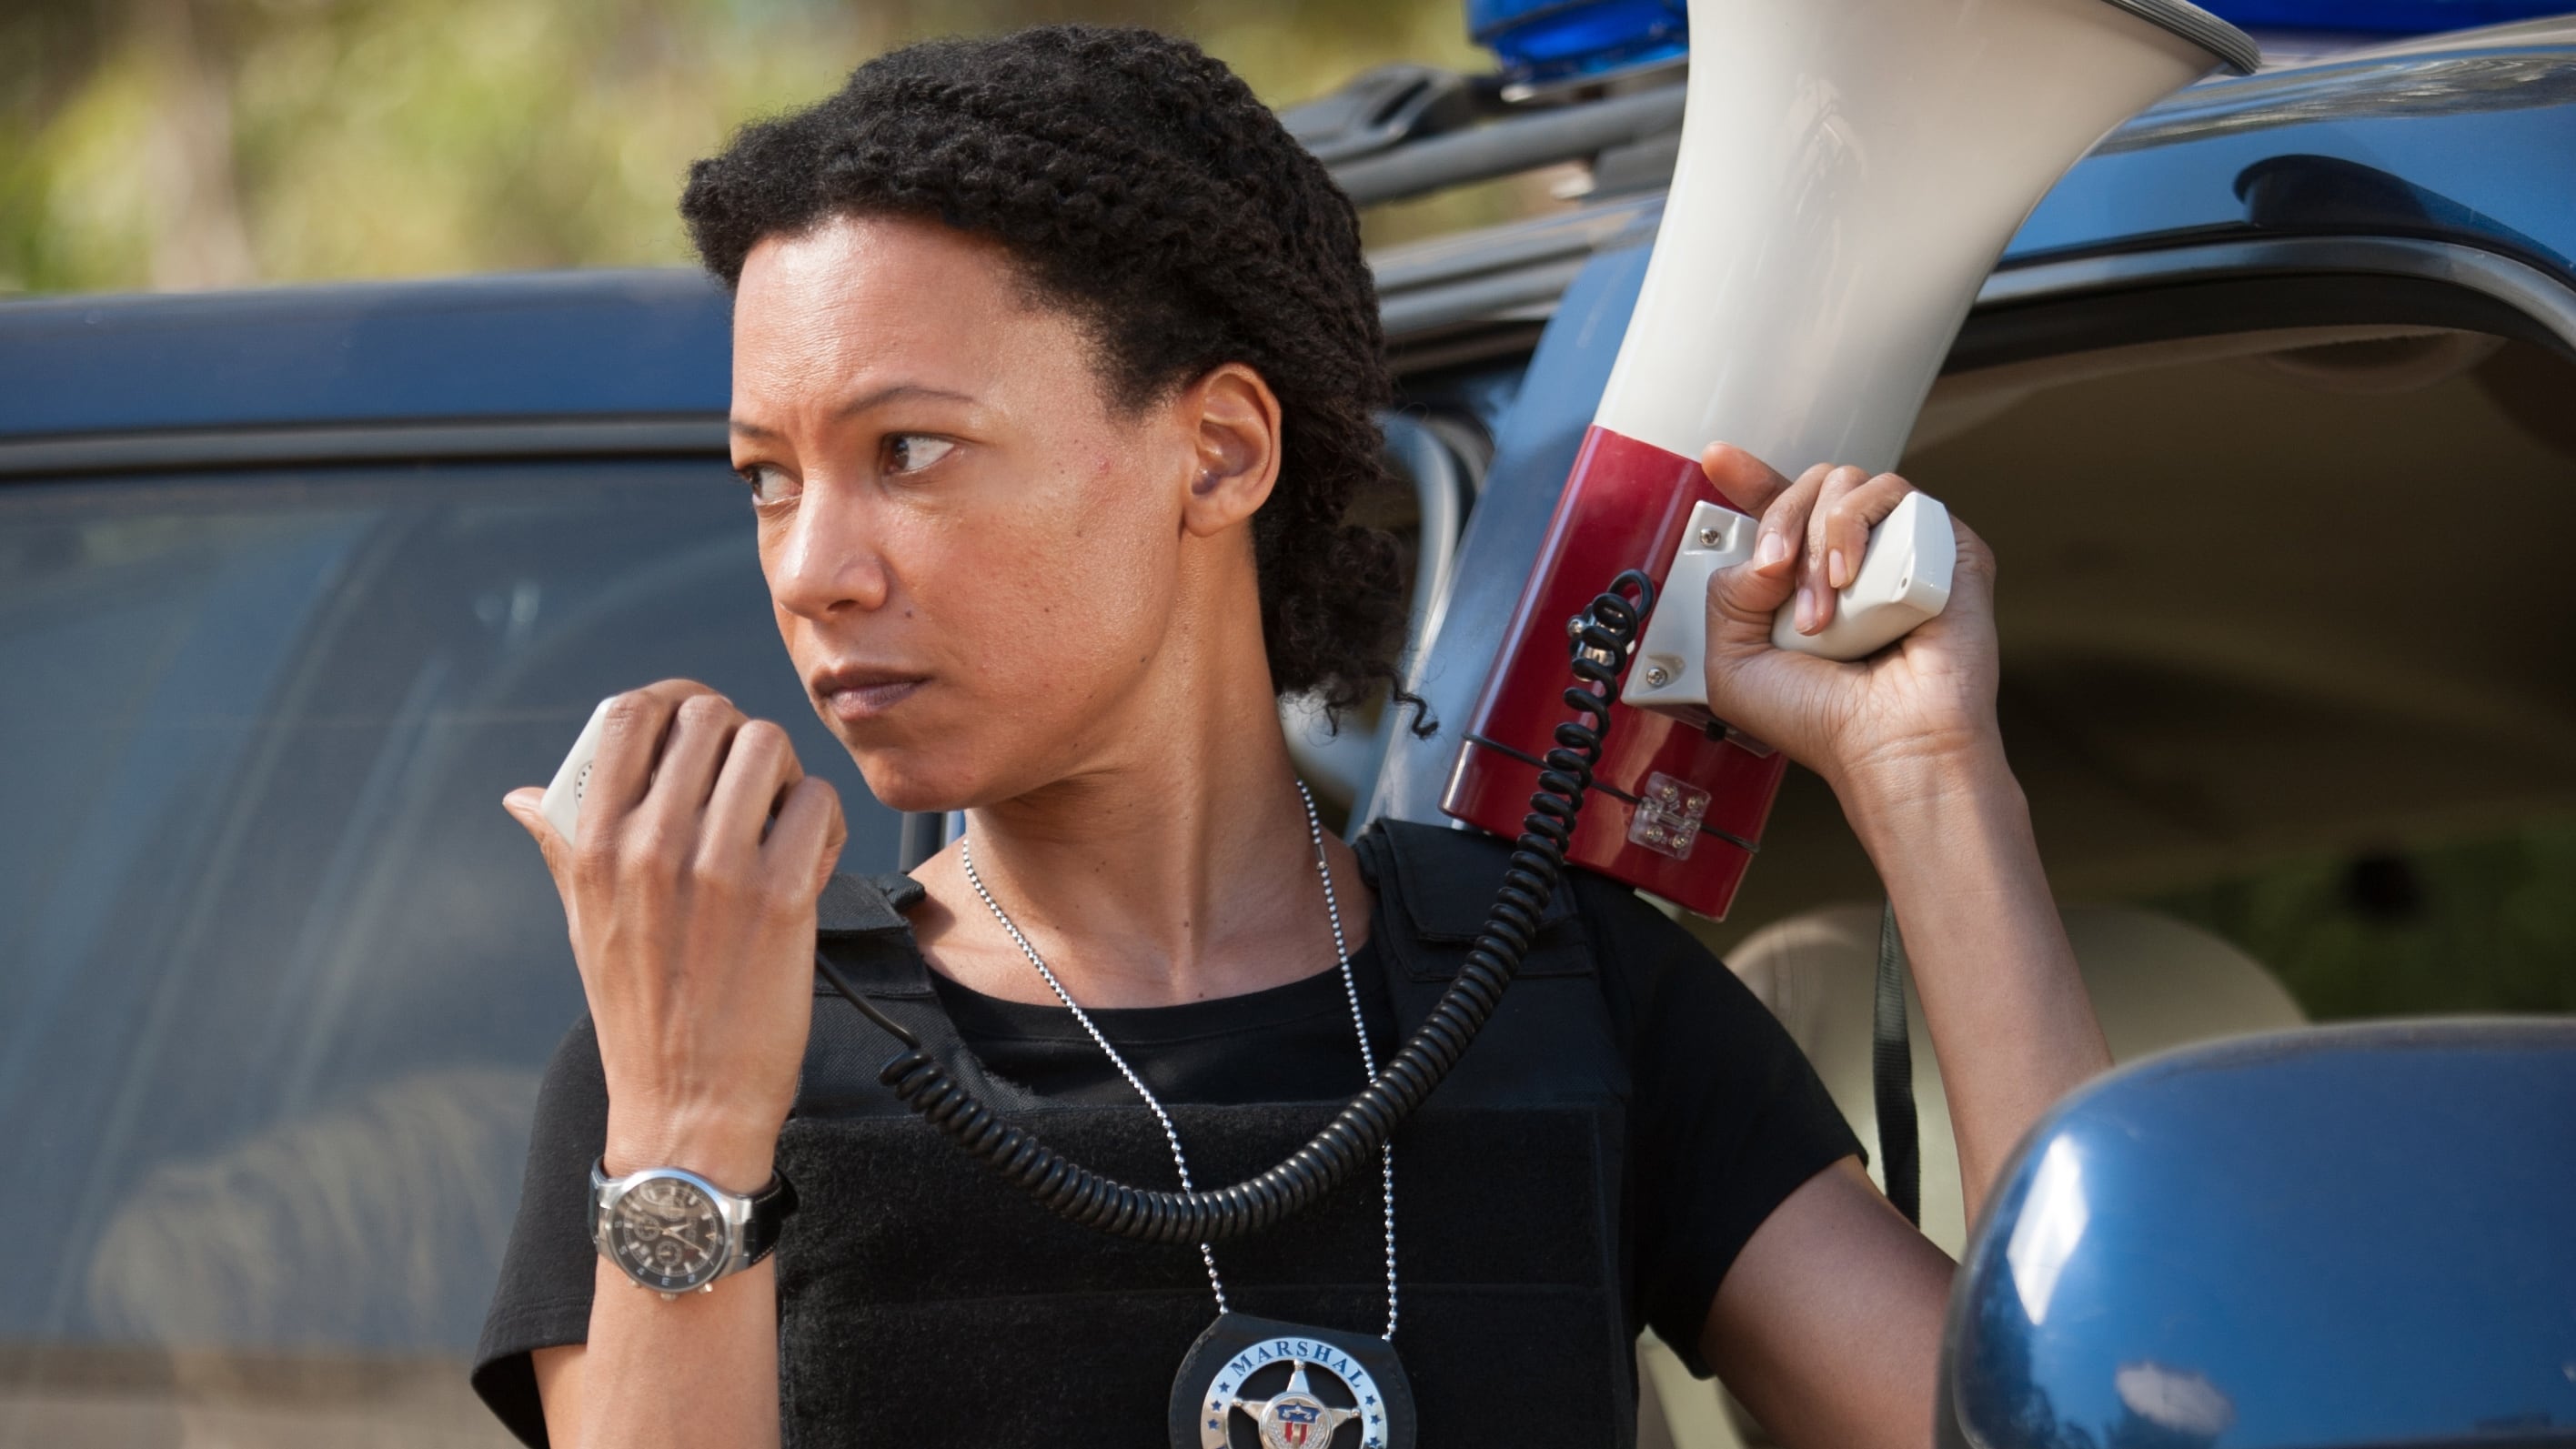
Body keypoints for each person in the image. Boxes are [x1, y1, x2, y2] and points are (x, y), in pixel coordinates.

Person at [469, 24, 2111, 1449]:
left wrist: (1933, 782)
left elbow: (2054, 1423)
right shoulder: (693, 1046)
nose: (812, 568)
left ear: (1220, 450)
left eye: (907, 449)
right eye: (769, 477)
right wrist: (689, 1128)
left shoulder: (1572, 997)